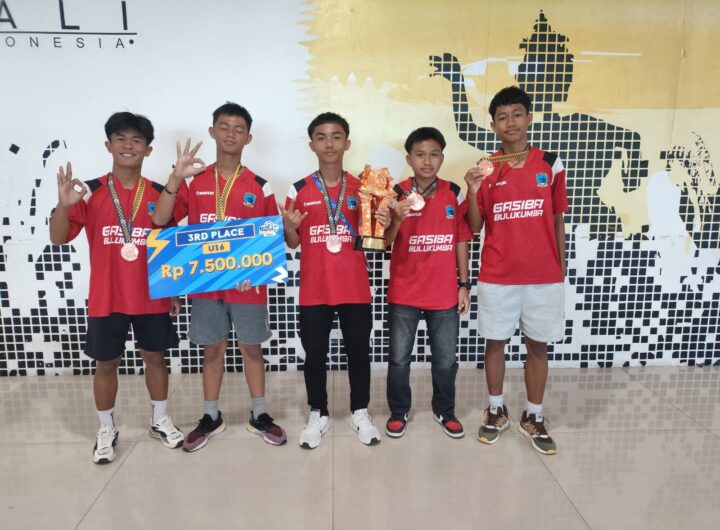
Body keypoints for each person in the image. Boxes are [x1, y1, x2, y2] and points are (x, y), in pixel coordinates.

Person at [49, 112, 184, 464]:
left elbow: (172, 245)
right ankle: (106, 428)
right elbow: (58, 238)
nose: (128, 145)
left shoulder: (160, 193)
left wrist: (173, 290)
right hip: (107, 296)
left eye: (137, 140)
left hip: (151, 294)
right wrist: (63, 206)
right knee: (106, 363)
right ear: (108, 145)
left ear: (148, 150)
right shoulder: (89, 192)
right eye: (121, 138)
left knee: (155, 358)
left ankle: (159, 419)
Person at [152, 102, 286, 450]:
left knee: (252, 349)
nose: (230, 134)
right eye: (224, 127)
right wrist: (175, 177)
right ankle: (211, 416)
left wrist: (256, 271)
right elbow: (160, 220)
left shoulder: (259, 186)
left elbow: (270, 239)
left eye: (238, 129)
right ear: (212, 132)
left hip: (247, 285)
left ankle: (260, 415)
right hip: (206, 285)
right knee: (212, 350)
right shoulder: (193, 182)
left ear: (248, 138)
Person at [464, 86, 567, 455]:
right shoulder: (486, 168)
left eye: (517, 114)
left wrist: (560, 269)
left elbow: (557, 220)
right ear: (493, 125)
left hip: (543, 276)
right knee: (495, 343)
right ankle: (496, 410)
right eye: (502, 117)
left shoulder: (550, 164)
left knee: (537, 345)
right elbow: (474, 226)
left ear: (529, 118)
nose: (511, 122)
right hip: (498, 275)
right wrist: (472, 190)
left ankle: (534, 415)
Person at [281, 112, 381, 449]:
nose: (329, 143)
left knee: (359, 354)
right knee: (314, 356)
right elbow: (293, 243)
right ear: (311, 144)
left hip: (355, 288)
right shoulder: (299, 190)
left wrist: (383, 217)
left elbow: (373, 241)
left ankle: (360, 411)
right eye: (321, 137)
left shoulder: (363, 189)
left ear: (347, 143)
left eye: (336, 136)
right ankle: (317, 413)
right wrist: (289, 227)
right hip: (315, 290)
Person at [376, 127, 472, 439]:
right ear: (409, 159)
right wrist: (397, 218)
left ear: (442, 158)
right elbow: (384, 243)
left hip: (443, 294)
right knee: (399, 359)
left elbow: (461, 240)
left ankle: (445, 410)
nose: (427, 161)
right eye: (420, 154)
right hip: (404, 292)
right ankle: (398, 411)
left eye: (434, 154)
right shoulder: (395, 193)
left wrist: (464, 285)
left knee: (446, 360)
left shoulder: (454, 192)